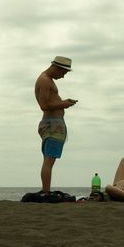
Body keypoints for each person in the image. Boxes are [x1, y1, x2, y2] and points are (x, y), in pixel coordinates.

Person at [34, 56, 77, 195]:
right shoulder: (45, 80)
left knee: (49, 159)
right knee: (49, 160)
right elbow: (44, 105)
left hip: (51, 123)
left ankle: (46, 190)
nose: (63, 76)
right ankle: (46, 192)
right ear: (56, 68)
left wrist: (64, 103)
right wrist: (64, 104)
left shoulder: (46, 80)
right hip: (52, 124)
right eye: (63, 73)